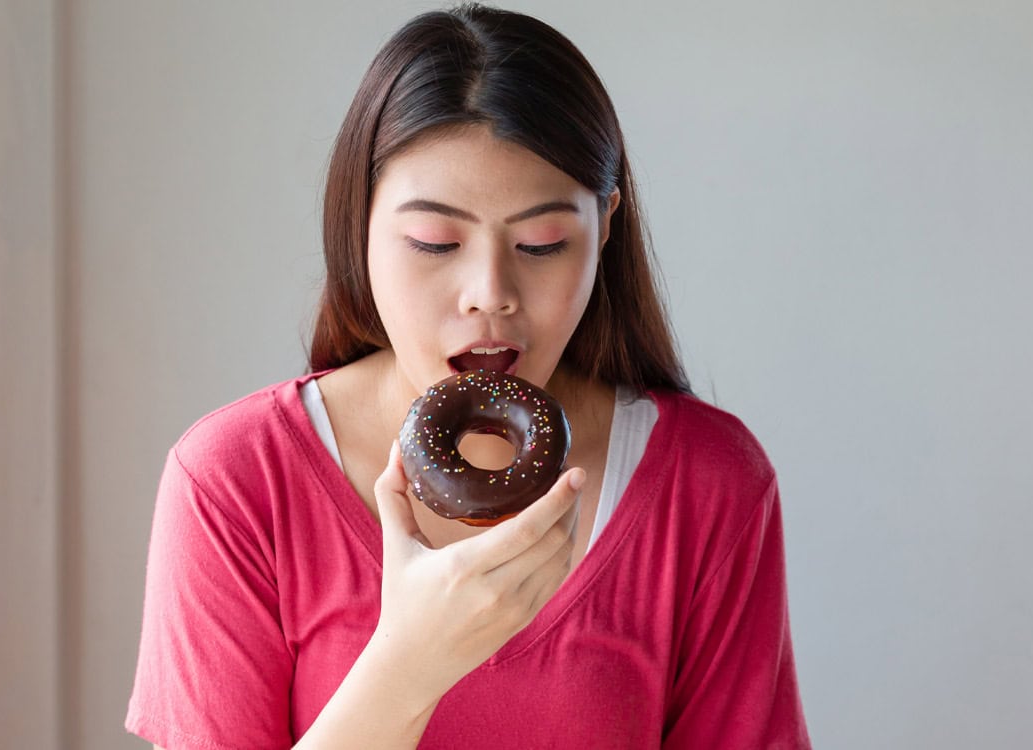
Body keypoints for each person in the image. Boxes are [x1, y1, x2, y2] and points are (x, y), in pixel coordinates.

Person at [125, 4, 811, 748]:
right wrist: (410, 664)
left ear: (606, 226)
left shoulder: (709, 483)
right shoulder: (235, 481)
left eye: (544, 243)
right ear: (359, 224)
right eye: (433, 241)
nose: (490, 291)